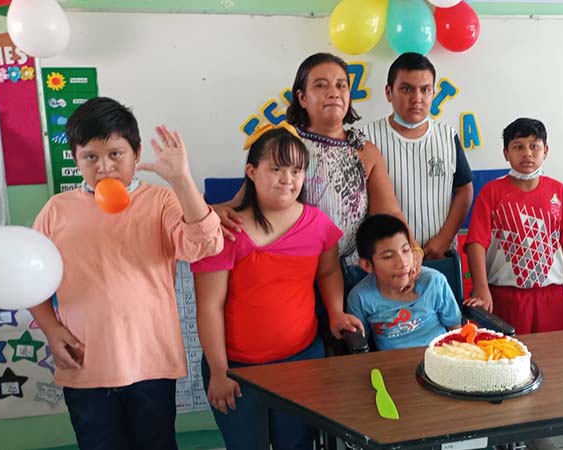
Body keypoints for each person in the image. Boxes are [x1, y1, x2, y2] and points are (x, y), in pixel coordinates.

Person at [29, 97, 223, 450]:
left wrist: (181, 179)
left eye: (116, 154)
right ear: (75, 159)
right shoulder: (57, 210)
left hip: (151, 364)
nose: (104, 167)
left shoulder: (161, 201)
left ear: (136, 153)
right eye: (91, 156)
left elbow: (205, 245)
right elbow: (30, 282)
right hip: (85, 365)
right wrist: (52, 330)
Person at [192, 123, 362, 450]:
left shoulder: (318, 224)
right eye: (276, 168)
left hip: (301, 363)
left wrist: (336, 312)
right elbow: (209, 306)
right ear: (252, 172)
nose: (287, 178)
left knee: (297, 444)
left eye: (297, 170)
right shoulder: (225, 231)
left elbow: (327, 274)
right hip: (237, 369)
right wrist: (219, 370)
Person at [216, 53, 423, 291]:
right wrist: (212, 213)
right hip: (293, 268)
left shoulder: (365, 150)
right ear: (302, 97)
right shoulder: (283, 145)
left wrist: (413, 249)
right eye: (321, 85)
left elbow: (389, 214)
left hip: (354, 275)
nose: (333, 92)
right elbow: (243, 203)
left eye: (341, 85)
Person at [465, 118, 563, 334]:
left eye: (534, 146)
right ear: (506, 153)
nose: (527, 153)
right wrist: (481, 288)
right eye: (518, 147)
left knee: (555, 359)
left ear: (545, 150)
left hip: (551, 296)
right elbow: (475, 243)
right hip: (504, 297)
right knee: (507, 361)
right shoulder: (491, 193)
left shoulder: (559, 192)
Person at [360, 53, 474, 259]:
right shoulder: (366, 139)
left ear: (433, 92)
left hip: (440, 255)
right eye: (406, 89)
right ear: (388, 92)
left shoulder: (447, 136)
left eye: (425, 90)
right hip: (389, 261)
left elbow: (464, 190)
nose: (417, 99)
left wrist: (444, 239)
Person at [348, 214, 482, 350]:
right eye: (388, 257)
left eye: (406, 250)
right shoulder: (360, 297)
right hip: (392, 367)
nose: (403, 263)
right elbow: (360, 346)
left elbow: (456, 330)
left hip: (440, 360)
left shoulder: (433, 282)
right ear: (367, 265)